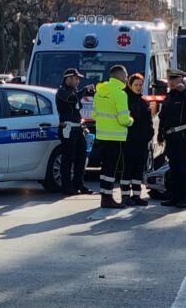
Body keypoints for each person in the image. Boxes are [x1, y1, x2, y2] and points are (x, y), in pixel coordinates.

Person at [157, 69, 186, 209]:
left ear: (182, 79)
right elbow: (163, 116)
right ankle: (175, 196)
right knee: (173, 167)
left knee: (184, 168)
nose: (171, 81)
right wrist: (160, 134)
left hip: (184, 136)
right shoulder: (169, 97)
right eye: (170, 79)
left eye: (174, 78)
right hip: (171, 136)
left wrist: (185, 90)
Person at [93, 64, 134, 208]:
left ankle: (104, 196)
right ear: (122, 76)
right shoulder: (120, 94)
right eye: (126, 75)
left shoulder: (99, 92)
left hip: (102, 136)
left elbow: (94, 114)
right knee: (111, 169)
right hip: (116, 138)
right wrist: (131, 121)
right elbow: (123, 119)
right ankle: (108, 198)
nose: (127, 78)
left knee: (105, 169)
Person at [55, 68, 95, 195]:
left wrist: (89, 92)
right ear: (68, 78)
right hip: (67, 128)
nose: (78, 81)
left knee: (81, 157)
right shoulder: (61, 91)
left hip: (78, 128)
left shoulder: (75, 91)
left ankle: (79, 184)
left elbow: (77, 101)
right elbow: (72, 99)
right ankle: (66, 186)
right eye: (76, 79)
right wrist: (84, 90)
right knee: (68, 158)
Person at [122, 72, 154, 206]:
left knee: (138, 169)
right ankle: (125, 196)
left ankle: (136, 196)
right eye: (136, 85)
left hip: (142, 140)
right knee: (127, 169)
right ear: (130, 85)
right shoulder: (125, 100)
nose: (139, 87)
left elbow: (148, 121)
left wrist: (149, 134)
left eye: (140, 85)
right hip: (129, 140)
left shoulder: (143, 101)